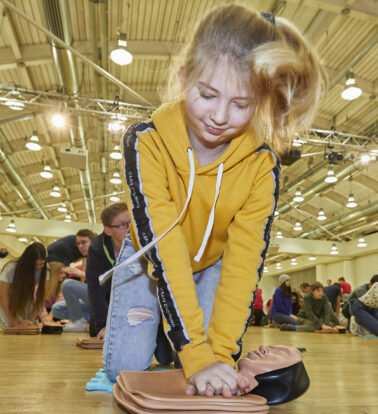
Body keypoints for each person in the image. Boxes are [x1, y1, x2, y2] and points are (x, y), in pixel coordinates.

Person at [102, 4, 326, 398]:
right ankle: (169, 341)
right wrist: (195, 353)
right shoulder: (144, 141)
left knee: (210, 362)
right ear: (184, 76)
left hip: (211, 264)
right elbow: (166, 252)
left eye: (241, 105)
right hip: (147, 256)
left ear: (259, 102)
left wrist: (219, 354)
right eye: (207, 95)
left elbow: (242, 267)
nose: (220, 116)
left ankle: (180, 343)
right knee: (125, 368)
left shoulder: (262, 167)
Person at [0, 242, 49, 330]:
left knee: (30, 324)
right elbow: (2, 296)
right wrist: (15, 323)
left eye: (41, 264)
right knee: (11, 325)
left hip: (21, 294)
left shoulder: (46, 270)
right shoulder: (12, 267)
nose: (38, 268)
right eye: (35, 264)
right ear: (27, 261)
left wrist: (30, 320)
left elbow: (40, 299)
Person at [86, 203, 130, 338]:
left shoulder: (144, 242)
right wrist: (104, 325)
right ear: (108, 230)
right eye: (122, 225)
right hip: (109, 298)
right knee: (96, 330)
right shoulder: (96, 249)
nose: (129, 229)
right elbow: (95, 289)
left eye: (131, 222)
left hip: (135, 300)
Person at [51, 229, 97, 330]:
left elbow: (102, 281)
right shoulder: (87, 258)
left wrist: (80, 273)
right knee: (56, 309)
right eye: (78, 244)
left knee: (68, 285)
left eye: (84, 242)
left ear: (93, 242)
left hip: (102, 297)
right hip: (92, 301)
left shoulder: (100, 256)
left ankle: (78, 322)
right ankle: (91, 319)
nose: (80, 246)